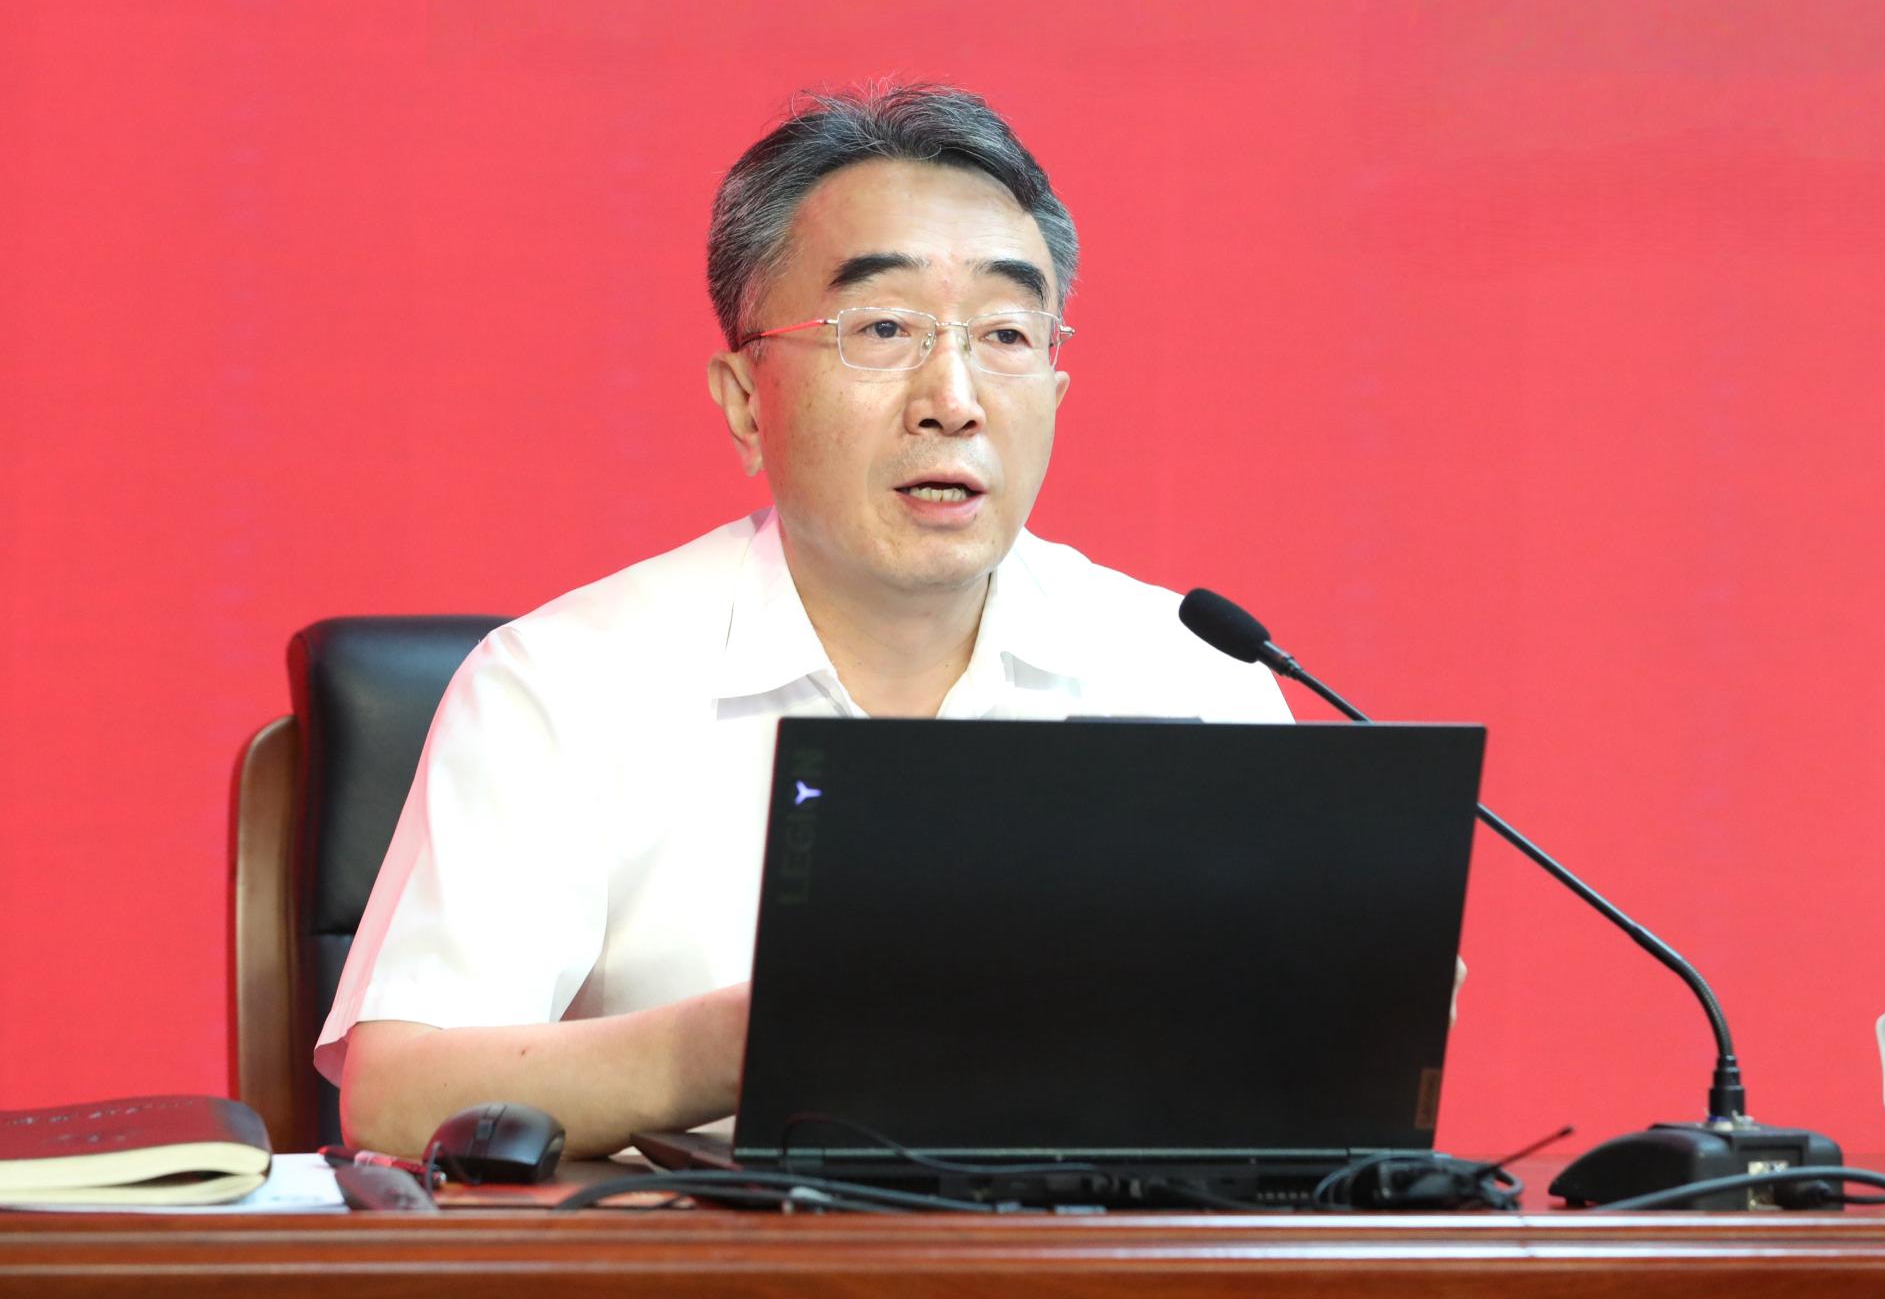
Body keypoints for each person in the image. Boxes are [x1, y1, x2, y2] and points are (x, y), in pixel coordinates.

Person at [321, 84, 1294, 1157]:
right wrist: (741, 1047)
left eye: (1006, 334)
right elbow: (397, 1099)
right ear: (746, 402)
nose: (954, 398)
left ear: (1054, 397)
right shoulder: (565, 683)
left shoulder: (1193, 676)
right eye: (882, 328)